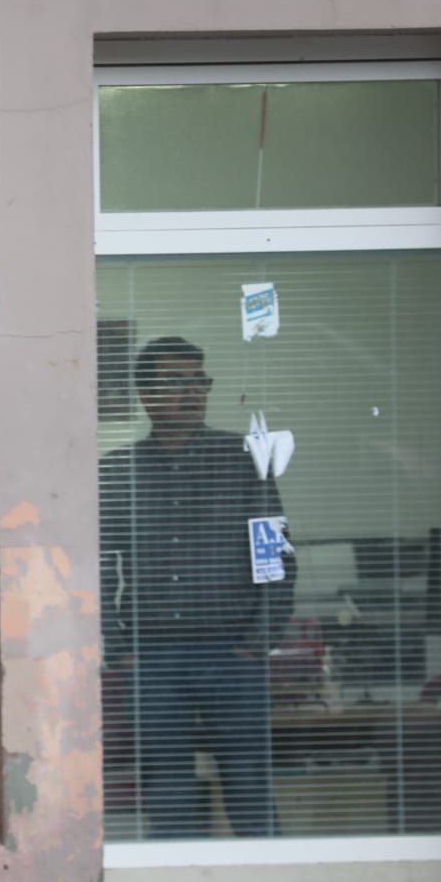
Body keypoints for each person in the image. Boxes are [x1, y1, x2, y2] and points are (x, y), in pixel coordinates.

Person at [101, 337, 296, 838]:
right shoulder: (118, 470)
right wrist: (119, 649)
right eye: (174, 382)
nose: (191, 393)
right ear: (145, 394)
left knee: (248, 783)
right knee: (167, 787)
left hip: (231, 651)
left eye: (198, 381)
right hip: (151, 657)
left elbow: (273, 555)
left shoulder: (241, 458)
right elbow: (97, 564)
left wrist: (257, 643)